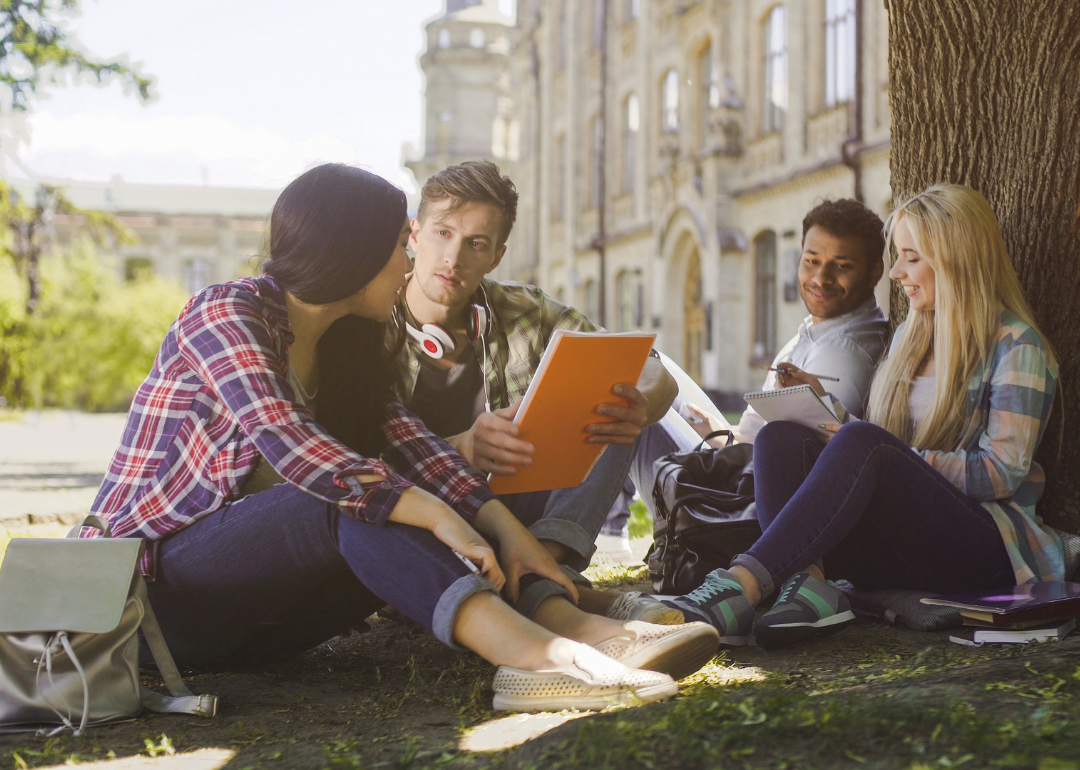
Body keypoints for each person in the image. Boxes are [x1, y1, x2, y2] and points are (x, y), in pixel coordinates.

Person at [84, 163, 718, 712]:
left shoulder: (348, 347)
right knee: (352, 494)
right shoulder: (225, 315)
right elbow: (299, 452)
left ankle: (560, 615)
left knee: (401, 484)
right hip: (153, 607)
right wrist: (437, 514)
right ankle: (539, 657)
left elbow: (421, 453)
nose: (412, 259)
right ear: (352, 252)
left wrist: (510, 535)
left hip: (267, 626)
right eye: (401, 243)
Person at [664, 183, 1063, 650]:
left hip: (982, 547)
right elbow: (879, 449)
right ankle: (808, 585)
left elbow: (1000, 475)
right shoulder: (909, 340)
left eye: (911, 258)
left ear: (955, 259)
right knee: (780, 437)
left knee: (863, 441)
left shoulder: (1017, 347)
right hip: (900, 542)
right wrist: (825, 411)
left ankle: (743, 585)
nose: (895, 272)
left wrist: (884, 448)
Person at [387, 160, 683, 625]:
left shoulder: (524, 310)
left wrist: (642, 404)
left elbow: (651, 370)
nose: (454, 257)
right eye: (443, 233)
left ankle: (541, 573)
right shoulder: (371, 323)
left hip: (520, 512)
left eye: (475, 244)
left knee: (613, 397)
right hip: (424, 519)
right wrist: (462, 447)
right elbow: (353, 466)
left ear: (496, 257)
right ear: (415, 234)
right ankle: (557, 597)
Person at [680, 198, 890, 449]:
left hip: (744, 484)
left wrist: (723, 443)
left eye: (841, 266)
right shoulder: (819, 331)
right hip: (738, 460)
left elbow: (794, 462)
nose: (821, 279)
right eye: (811, 261)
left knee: (643, 408)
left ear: (875, 272)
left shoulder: (844, 353)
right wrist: (721, 434)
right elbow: (756, 438)